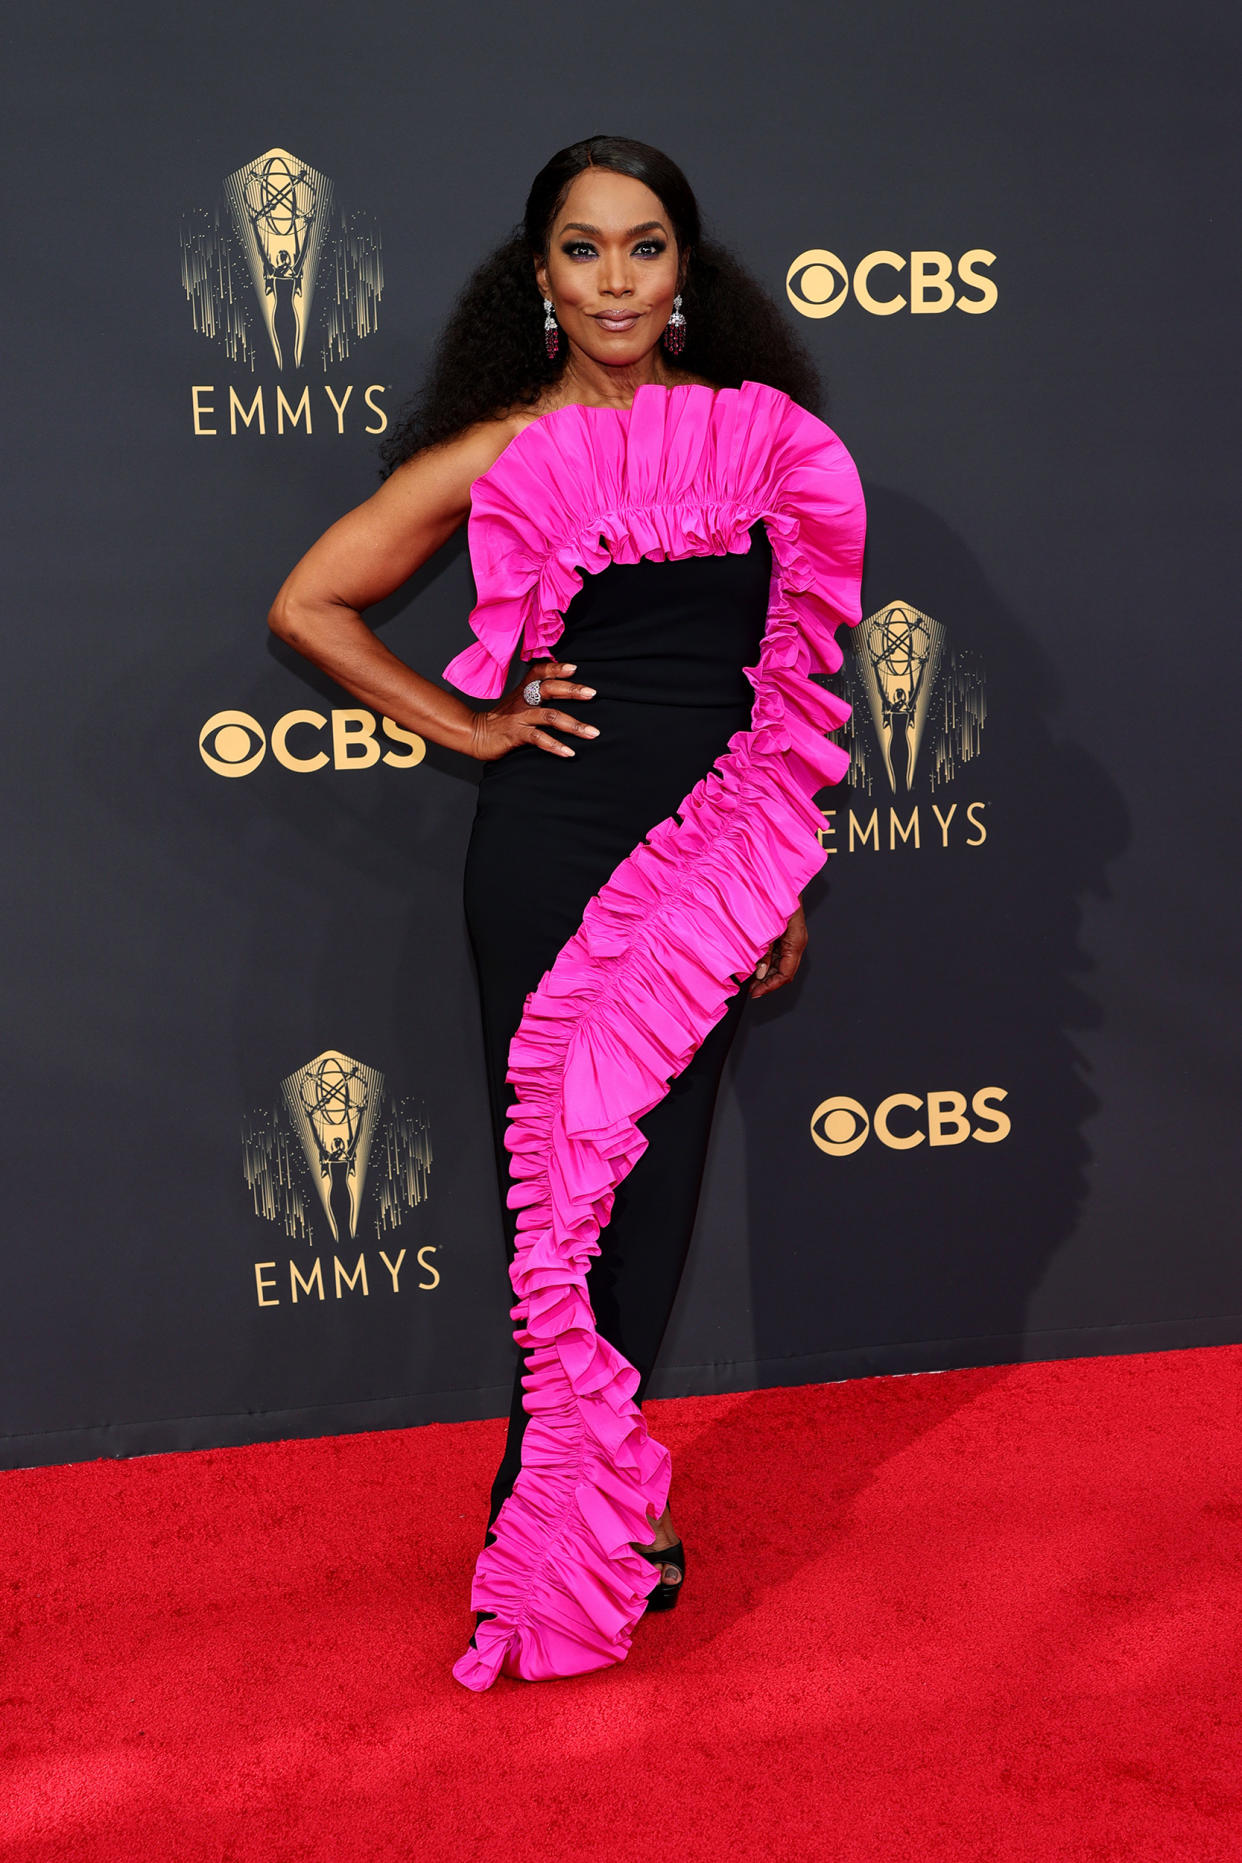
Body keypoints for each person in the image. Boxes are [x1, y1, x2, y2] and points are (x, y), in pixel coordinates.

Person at [267, 133, 866, 1691]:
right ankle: (547, 1527)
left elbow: (788, 674)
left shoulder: (759, 441)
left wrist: (771, 870)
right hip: (555, 857)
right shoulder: (503, 452)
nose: (615, 280)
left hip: (714, 858)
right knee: (568, 1202)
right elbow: (310, 602)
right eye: (583, 250)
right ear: (537, 277)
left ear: (687, 272)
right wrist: (465, 724)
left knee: (652, 1202)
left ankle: (584, 1497)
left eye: (643, 246)